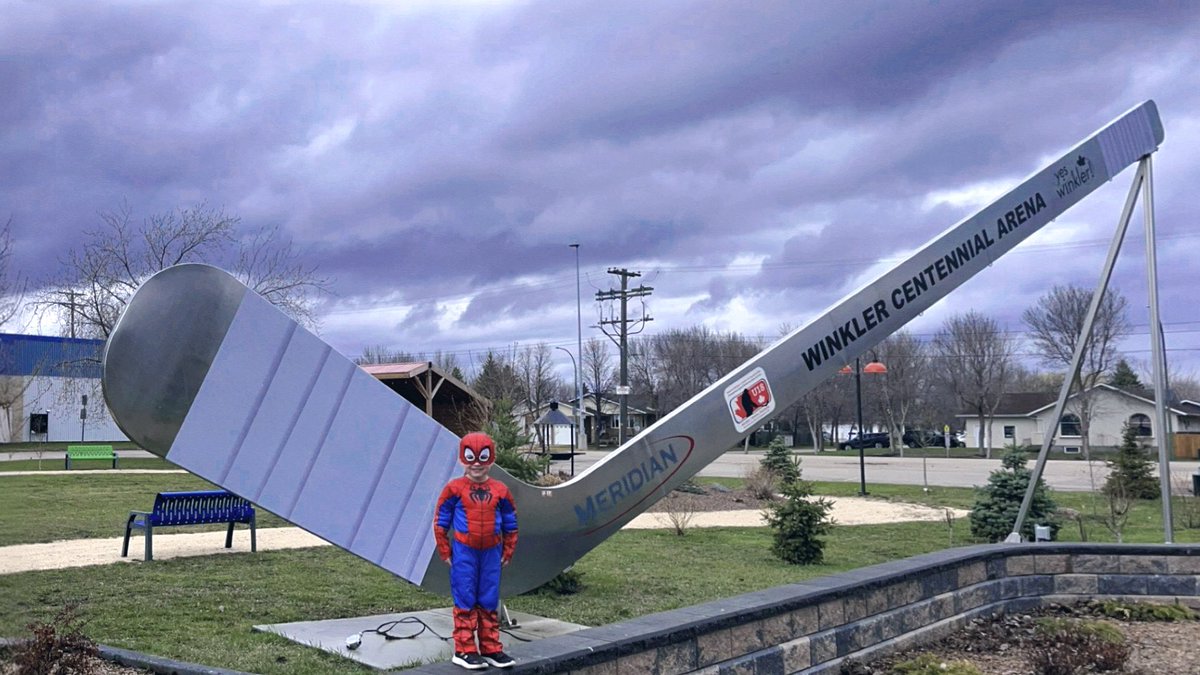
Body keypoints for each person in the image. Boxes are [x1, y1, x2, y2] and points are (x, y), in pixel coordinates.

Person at [433, 432, 519, 670]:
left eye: (482, 457)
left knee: (489, 599)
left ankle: (491, 647)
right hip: (464, 553)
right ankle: (464, 649)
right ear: (463, 458)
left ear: (491, 459)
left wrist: (508, 549)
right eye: (471, 457)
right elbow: (441, 520)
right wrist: (445, 549)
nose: (477, 464)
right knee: (465, 598)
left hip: (492, 552)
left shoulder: (500, 490)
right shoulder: (454, 489)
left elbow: (511, 522)